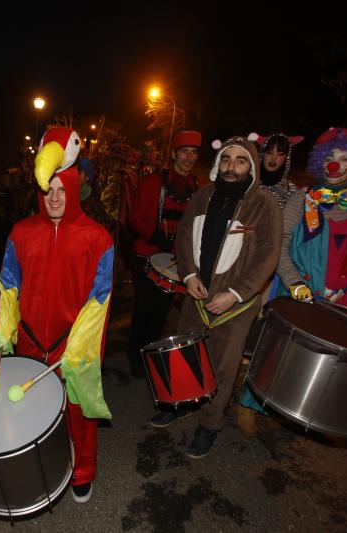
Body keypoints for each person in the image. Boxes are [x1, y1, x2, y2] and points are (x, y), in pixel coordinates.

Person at [0, 128, 113, 503]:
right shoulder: (21, 232)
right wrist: (3, 331)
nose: (55, 198)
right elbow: (8, 286)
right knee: (31, 408)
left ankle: (83, 471)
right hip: (29, 340)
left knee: (78, 412)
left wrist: (77, 348)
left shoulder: (98, 238)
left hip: (74, 343)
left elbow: (100, 298)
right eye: (49, 190)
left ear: (75, 190)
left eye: (63, 190)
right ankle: (37, 465)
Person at [174, 134, 282, 458]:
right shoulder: (203, 195)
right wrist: (189, 275)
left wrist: (235, 294)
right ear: (218, 164)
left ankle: (210, 424)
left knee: (223, 367)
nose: (231, 167)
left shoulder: (264, 204)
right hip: (197, 295)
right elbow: (182, 236)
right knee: (185, 354)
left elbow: (268, 255)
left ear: (251, 167)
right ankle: (181, 404)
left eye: (240, 160)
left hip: (235, 306)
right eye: (225, 159)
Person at [127, 130, 203, 426]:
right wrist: (157, 237)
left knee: (160, 313)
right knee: (144, 309)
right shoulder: (152, 182)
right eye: (183, 151)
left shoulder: (197, 187)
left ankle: (149, 355)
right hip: (148, 254)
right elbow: (135, 219)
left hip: (174, 261)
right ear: (174, 154)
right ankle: (135, 357)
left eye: (193, 153)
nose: (188, 158)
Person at [236, 132, 304, 436]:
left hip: (271, 273)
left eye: (280, 154)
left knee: (262, 336)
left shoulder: (293, 193)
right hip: (236, 265)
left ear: (287, 159)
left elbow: (285, 239)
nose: (273, 158)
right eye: (269, 152)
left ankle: (249, 399)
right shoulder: (246, 183)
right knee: (233, 329)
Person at [276, 127, 347, 311]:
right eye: (329, 158)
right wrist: (294, 282)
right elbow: (278, 244)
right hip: (298, 295)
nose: (334, 165)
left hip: (342, 302)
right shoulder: (302, 198)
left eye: (344, 159)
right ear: (320, 162)